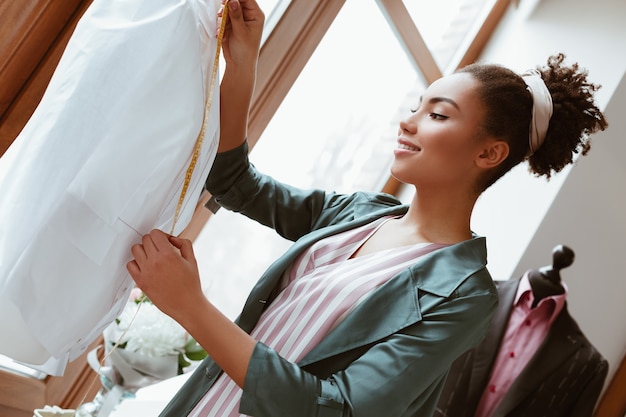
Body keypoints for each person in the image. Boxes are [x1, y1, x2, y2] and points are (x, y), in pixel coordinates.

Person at [126, 0, 608, 416]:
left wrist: (190, 307)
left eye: (438, 115)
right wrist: (245, 59)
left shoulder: (464, 295)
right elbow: (235, 183)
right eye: (419, 105)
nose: (409, 121)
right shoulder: (361, 213)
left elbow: (337, 409)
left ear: (488, 154)